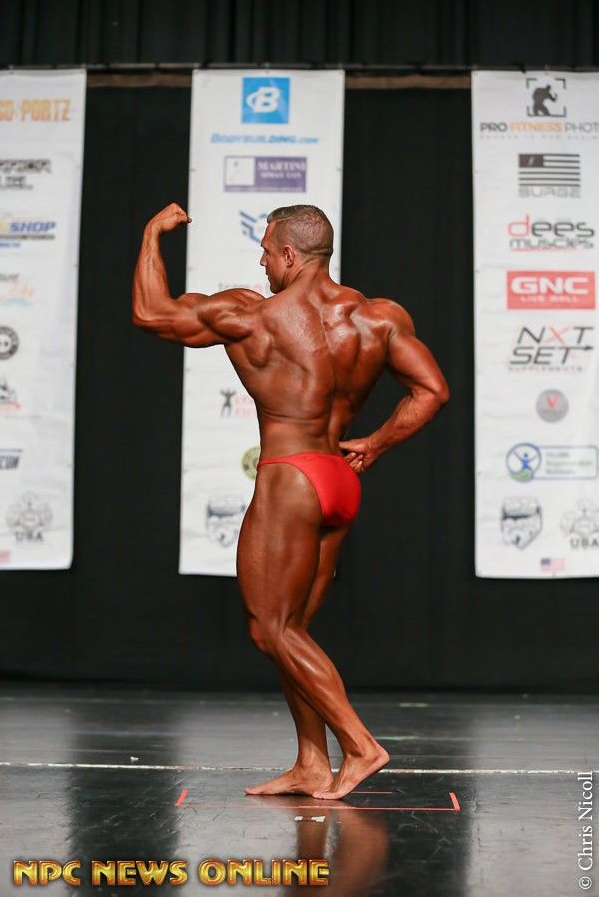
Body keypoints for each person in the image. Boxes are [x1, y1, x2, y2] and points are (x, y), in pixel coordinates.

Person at [132, 202, 449, 799]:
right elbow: (432, 390)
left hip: (290, 477)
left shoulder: (253, 314)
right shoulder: (378, 317)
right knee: (293, 630)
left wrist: (152, 233)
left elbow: (150, 312)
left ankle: (361, 745)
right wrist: (375, 444)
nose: (261, 262)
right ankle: (311, 762)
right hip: (339, 479)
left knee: (270, 628)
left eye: (265, 251)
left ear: (288, 254)